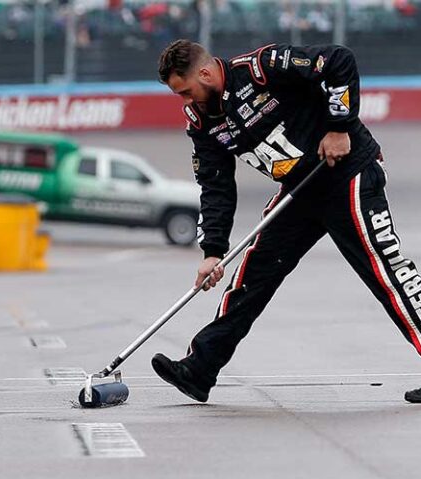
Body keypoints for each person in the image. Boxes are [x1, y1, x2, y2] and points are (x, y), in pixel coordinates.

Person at [152, 39, 421, 404]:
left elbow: (339, 60)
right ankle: (200, 370)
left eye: (186, 91)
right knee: (251, 277)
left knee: (387, 271)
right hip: (300, 191)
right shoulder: (202, 121)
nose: (186, 100)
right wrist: (212, 250)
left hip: (348, 174)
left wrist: (339, 127)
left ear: (204, 72)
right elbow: (215, 185)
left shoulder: (263, 68)